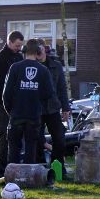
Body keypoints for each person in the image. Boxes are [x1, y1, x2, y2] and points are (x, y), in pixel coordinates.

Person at [3, 39, 54, 164]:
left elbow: (6, 94)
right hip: (34, 114)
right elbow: (49, 93)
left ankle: (13, 178)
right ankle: (28, 177)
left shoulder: (15, 68)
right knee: (31, 148)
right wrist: (37, 100)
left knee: (14, 148)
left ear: (24, 51)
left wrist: (10, 110)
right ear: (37, 52)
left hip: (17, 114)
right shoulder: (43, 70)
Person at [0, 31, 24, 177]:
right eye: (17, 45)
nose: (19, 48)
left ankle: (14, 167)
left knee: (16, 136)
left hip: (17, 104)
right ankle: (2, 170)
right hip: (3, 104)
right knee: (3, 136)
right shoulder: (0, 59)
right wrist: (4, 104)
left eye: (21, 45)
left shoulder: (19, 56)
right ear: (9, 42)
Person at [35, 39, 70, 173]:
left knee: (59, 139)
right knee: (36, 140)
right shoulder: (32, 66)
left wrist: (66, 108)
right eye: (36, 50)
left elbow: (62, 88)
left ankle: (58, 168)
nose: (39, 52)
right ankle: (39, 170)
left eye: (40, 49)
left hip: (53, 108)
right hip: (36, 109)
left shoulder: (56, 66)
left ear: (45, 49)